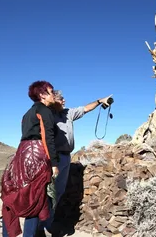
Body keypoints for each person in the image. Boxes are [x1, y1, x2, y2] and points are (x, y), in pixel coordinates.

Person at [38, 90, 113, 237]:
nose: (64, 101)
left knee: (58, 192)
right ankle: (41, 227)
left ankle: (48, 224)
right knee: (49, 192)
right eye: (61, 98)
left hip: (66, 157)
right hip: (53, 158)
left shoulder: (68, 113)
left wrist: (99, 101)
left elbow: (85, 108)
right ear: (53, 100)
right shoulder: (48, 115)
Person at [1, 80, 59, 237]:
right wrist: (54, 163)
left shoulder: (27, 114)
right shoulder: (44, 111)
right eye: (51, 91)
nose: (54, 94)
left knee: (14, 195)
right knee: (35, 198)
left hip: (21, 154)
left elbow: (24, 136)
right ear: (42, 95)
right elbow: (48, 138)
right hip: (36, 155)